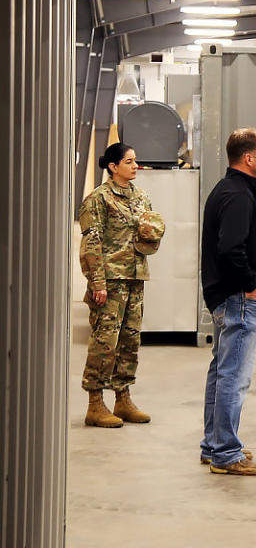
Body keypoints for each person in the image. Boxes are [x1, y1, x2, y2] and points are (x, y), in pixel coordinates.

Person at [200, 128, 256, 475]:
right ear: (249, 158)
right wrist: (251, 285)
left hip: (224, 296)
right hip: (238, 298)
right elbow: (230, 249)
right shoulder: (238, 195)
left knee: (220, 372)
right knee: (233, 376)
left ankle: (213, 445)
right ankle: (225, 453)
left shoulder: (226, 189)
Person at [79, 142, 164, 427]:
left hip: (135, 276)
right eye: (129, 161)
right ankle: (94, 403)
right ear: (113, 166)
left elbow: (148, 233)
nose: (135, 166)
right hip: (110, 281)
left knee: (130, 340)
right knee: (105, 342)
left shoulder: (140, 197)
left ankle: (123, 398)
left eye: (136, 161)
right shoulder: (98, 199)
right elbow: (92, 243)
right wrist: (97, 283)